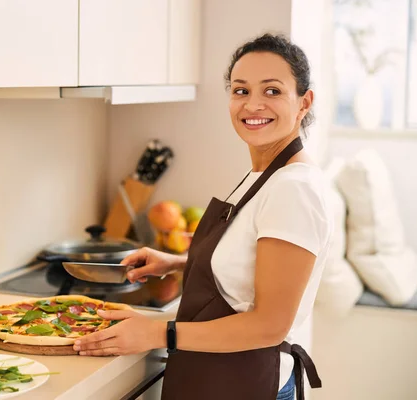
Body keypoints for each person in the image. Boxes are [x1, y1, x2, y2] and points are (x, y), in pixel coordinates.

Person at [73, 33, 332, 400]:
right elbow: (256, 264)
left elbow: (268, 326)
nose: (253, 105)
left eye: (272, 91)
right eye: (241, 90)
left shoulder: (294, 188)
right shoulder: (267, 174)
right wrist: (181, 262)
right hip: (222, 378)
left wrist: (156, 332)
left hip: (246, 385)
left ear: (304, 102)